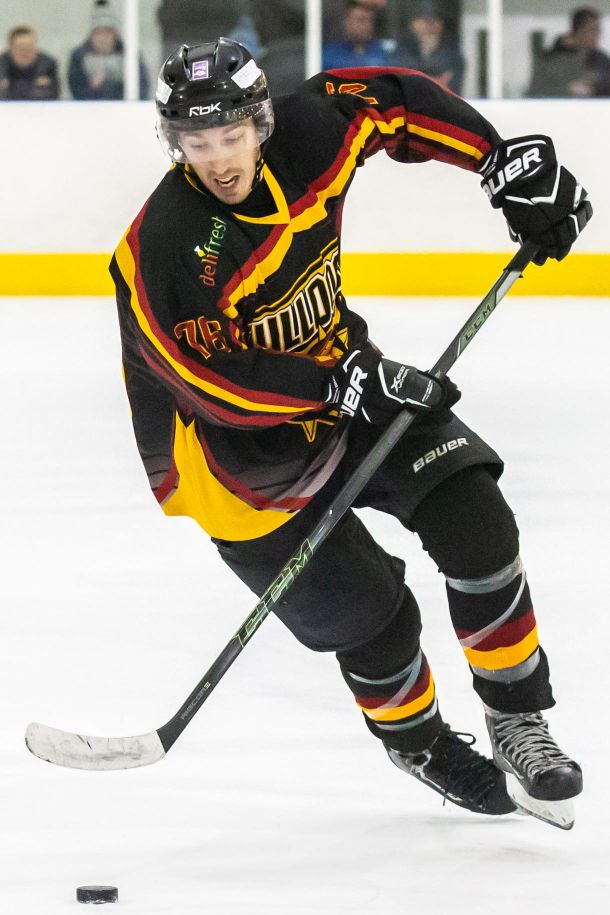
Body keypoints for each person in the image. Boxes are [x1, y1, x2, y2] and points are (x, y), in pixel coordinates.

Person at [110, 38, 591, 826]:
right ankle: (423, 742)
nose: (219, 159)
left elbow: (394, 100)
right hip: (240, 467)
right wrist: (337, 385)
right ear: (175, 142)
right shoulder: (165, 244)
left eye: (231, 135)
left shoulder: (308, 133)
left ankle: (518, 716)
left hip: (348, 384)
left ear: (260, 120)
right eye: (197, 143)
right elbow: (206, 379)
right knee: (374, 617)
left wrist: (502, 161)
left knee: (475, 518)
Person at [68, 0, 149, 100]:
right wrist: (93, 88)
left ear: (115, 34)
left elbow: (141, 89)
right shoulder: (79, 57)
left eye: (107, 32)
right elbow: (77, 93)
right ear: (91, 35)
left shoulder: (130, 55)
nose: (102, 38)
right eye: (98, 33)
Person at [529, 5, 610, 98]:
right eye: (591, 30)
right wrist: (568, 90)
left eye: (598, 30)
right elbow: (535, 92)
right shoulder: (551, 59)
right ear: (578, 31)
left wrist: (594, 89)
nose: (597, 35)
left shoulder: (601, 61)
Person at [393, 0, 464, 95]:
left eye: (434, 22)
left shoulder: (451, 50)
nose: (429, 27)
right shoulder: (403, 48)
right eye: (425, 22)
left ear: (441, 25)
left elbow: (453, 83)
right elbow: (400, 76)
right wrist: (435, 81)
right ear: (413, 24)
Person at [323, 0, 393, 70]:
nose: (365, 25)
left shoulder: (381, 52)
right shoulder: (330, 54)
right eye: (360, 20)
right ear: (347, 21)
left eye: (369, 21)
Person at [0, 25, 59, 101]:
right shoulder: (2, 64)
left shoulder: (48, 64)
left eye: (29, 47)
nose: (25, 52)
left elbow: (53, 94)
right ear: (10, 48)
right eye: (20, 48)